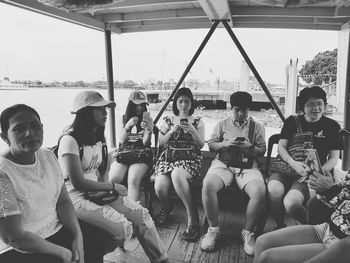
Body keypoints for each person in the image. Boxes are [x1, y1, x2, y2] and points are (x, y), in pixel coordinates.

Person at [57, 91, 168, 263]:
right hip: (74, 198)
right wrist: (113, 187)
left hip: (95, 192)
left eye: (106, 109)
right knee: (124, 229)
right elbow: (78, 183)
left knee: (143, 217)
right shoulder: (70, 140)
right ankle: (94, 255)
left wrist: (107, 195)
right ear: (85, 112)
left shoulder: (99, 137)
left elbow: (101, 173)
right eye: (100, 109)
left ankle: (161, 259)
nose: (105, 113)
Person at [0, 104, 84, 263]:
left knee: (94, 241)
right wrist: (63, 253)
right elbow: (14, 237)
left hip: (56, 230)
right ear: (5, 137)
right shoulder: (3, 173)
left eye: (34, 126)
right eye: (19, 129)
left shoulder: (47, 156)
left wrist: (77, 236)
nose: (29, 133)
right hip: (22, 248)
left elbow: (63, 202)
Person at [200, 91, 266, 255]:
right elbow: (211, 146)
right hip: (224, 164)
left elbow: (262, 151)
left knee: (259, 192)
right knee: (208, 185)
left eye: (244, 110)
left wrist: (249, 147)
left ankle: (248, 232)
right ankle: (213, 229)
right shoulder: (222, 124)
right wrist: (225, 143)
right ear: (231, 107)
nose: (241, 113)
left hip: (248, 166)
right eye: (237, 109)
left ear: (249, 109)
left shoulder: (257, 127)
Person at [267, 86, 342, 228]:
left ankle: (312, 227)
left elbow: (334, 158)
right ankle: (279, 224)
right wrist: (294, 163)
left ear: (325, 105)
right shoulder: (292, 122)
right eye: (311, 104)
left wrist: (317, 171)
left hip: (312, 172)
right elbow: (281, 147)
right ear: (302, 106)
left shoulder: (332, 126)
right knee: (274, 190)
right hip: (286, 168)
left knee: (291, 203)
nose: (316, 108)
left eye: (320, 103)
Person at [253, 170, 350, 263]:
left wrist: (331, 191)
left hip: (343, 244)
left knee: (267, 258)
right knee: (261, 242)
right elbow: (321, 207)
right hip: (328, 228)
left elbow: (335, 194)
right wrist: (321, 187)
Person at [153, 87, 205, 242]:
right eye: (180, 101)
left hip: (190, 159)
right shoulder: (168, 120)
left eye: (187, 101)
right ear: (175, 103)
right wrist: (171, 131)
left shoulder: (198, 121)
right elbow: (161, 142)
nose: (183, 105)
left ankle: (192, 216)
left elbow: (202, 145)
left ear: (191, 103)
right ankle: (167, 208)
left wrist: (192, 131)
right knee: (160, 186)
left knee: (177, 174)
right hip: (169, 158)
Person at [109, 90, 154, 201]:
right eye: (136, 105)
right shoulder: (123, 119)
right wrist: (127, 127)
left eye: (142, 105)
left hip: (141, 154)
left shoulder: (148, 120)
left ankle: (134, 211)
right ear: (130, 105)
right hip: (125, 153)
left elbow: (146, 143)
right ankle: (116, 206)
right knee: (114, 178)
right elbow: (122, 140)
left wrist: (149, 130)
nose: (139, 108)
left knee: (133, 179)